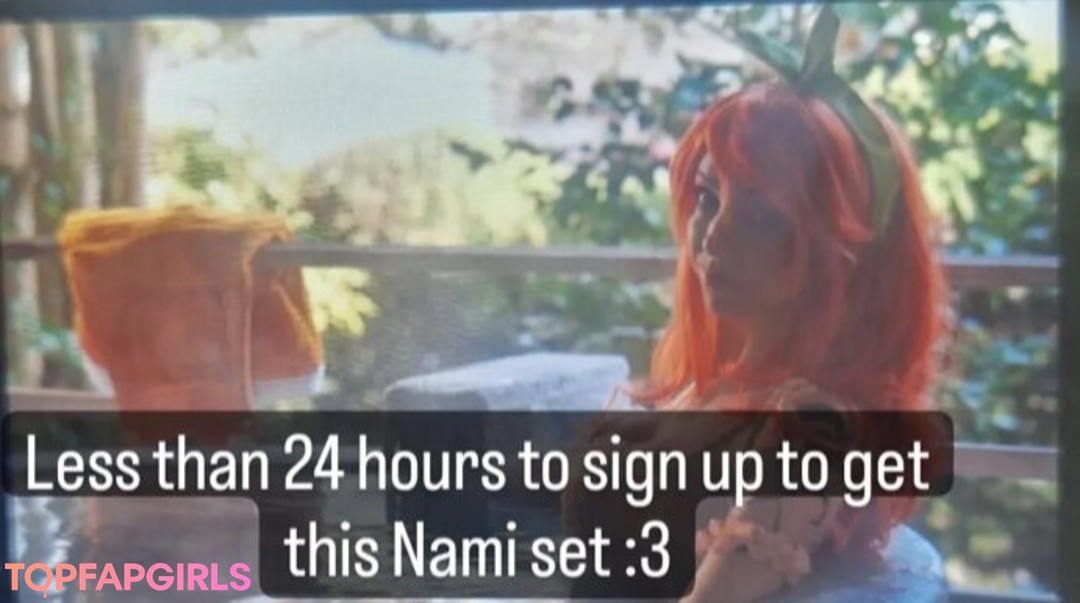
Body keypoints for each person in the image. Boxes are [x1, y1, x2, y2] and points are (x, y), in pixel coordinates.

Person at [567, 6, 948, 602]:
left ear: (840, 253)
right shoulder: (708, 384)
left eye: (763, 216)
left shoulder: (808, 431)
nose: (715, 238)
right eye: (708, 198)